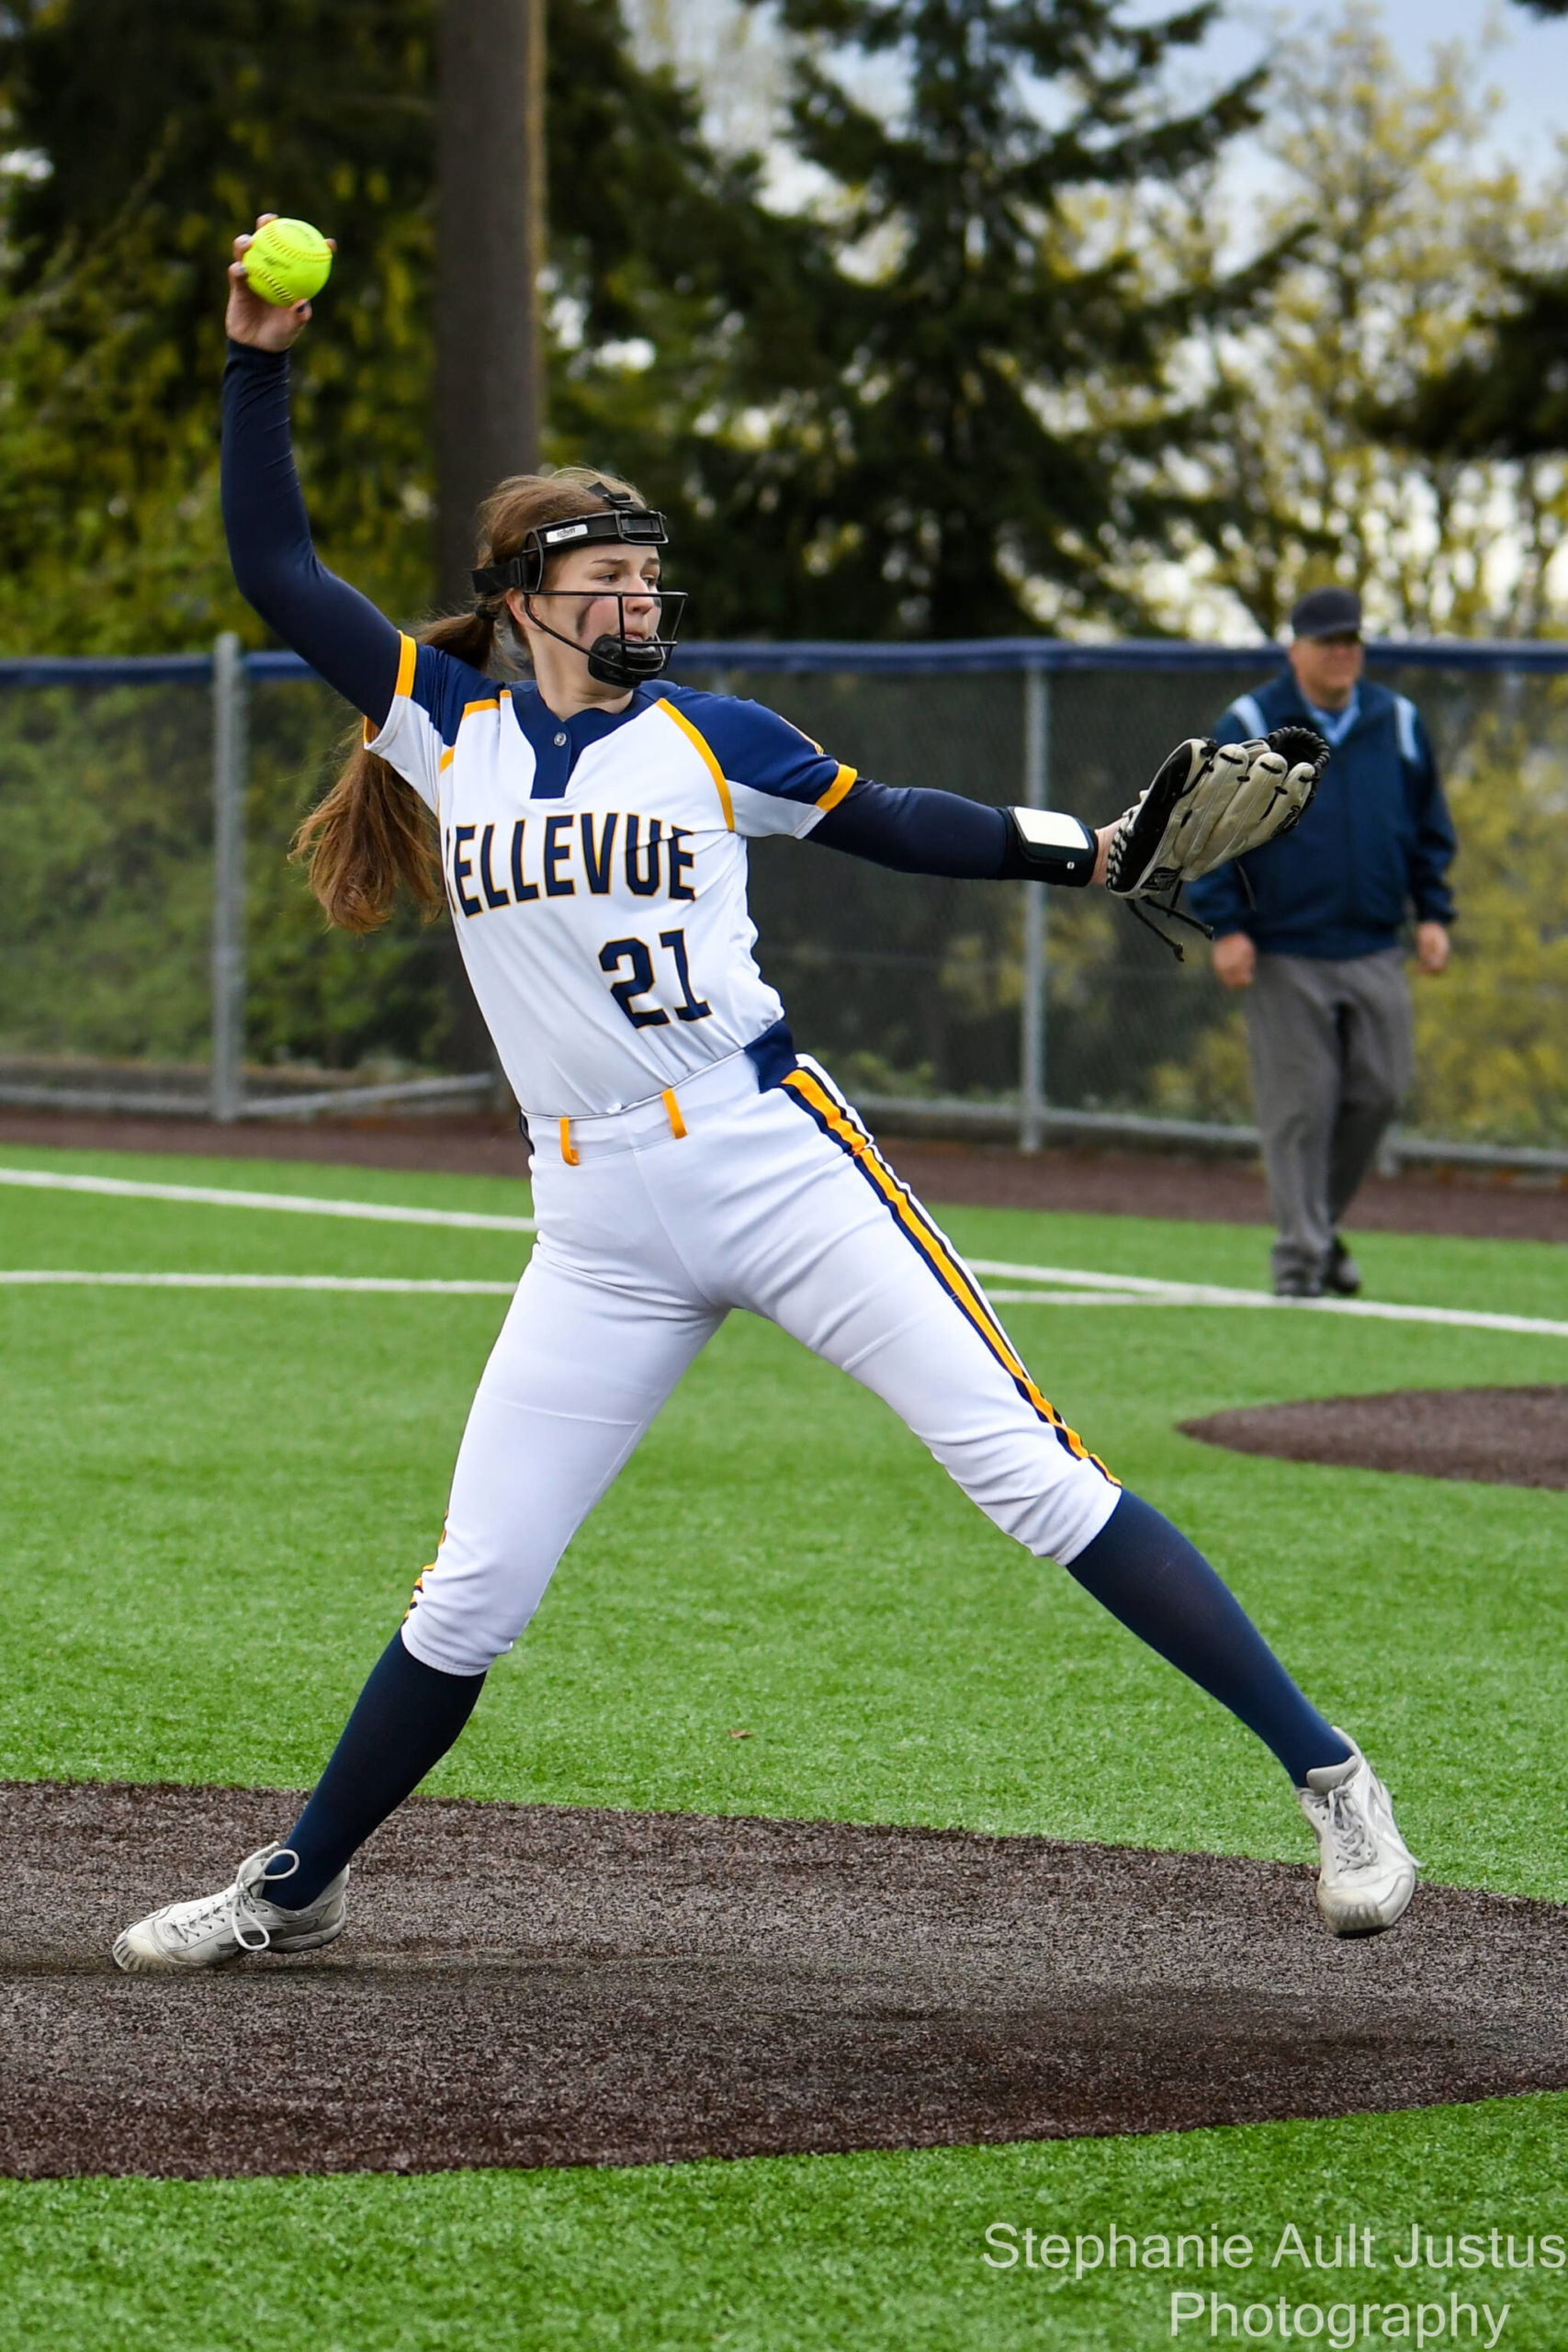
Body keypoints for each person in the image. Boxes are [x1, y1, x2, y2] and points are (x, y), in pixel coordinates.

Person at [113, 224, 1417, 1973]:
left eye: (649, 578)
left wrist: (1087, 852)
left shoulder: (711, 731)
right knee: (474, 1588)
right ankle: (302, 1881)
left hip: (767, 1153)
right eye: (605, 580)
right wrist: (255, 358)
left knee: (1027, 1477)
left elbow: (894, 817)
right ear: (520, 597)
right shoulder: (443, 724)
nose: (638, 604)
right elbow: (274, 564)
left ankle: (1329, 1774)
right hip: (589, 1217)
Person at [1188, 588, 1457, 1299]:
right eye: (1327, 639)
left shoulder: (1396, 720)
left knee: (1379, 1092)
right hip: (1281, 947)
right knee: (1300, 1107)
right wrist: (1227, 926)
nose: (1342, 651)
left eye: (1351, 640)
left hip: (1372, 943)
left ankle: (1318, 1227)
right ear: (1294, 648)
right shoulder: (1250, 722)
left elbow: (1429, 826)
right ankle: (1299, 1265)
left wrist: (1432, 913)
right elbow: (1205, 834)